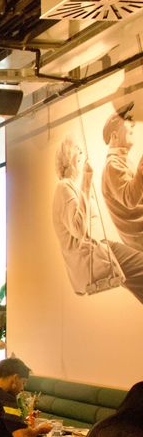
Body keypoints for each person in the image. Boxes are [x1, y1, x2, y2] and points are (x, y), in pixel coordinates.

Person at [54, 135, 143, 302]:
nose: (82, 154)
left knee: (138, 283)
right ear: (70, 156)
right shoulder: (64, 187)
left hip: (99, 250)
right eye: (78, 150)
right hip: (95, 253)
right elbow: (78, 229)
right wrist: (86, 182)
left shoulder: (72, 188)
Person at [101, 103, 143, 253]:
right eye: (127, 120)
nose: (132, 123)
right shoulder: (112, 166)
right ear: (114, 136)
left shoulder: (122, 161)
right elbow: (130, 198)